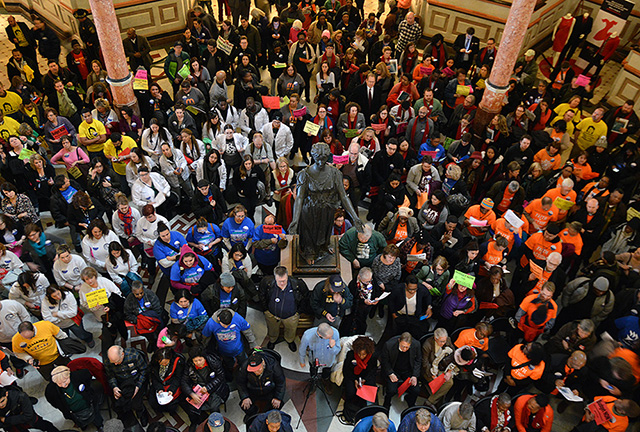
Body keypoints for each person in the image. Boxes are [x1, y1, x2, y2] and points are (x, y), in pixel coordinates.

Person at [258, 266, 306, 351]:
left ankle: (289, 340)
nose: (282, 284)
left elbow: (305, 297)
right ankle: (272, 340)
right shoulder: (267, 282)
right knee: (272, 329)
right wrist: (266, 310)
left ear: (287, 277)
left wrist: (299, 312)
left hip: (291, 316)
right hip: (272, 315)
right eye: (279, 281)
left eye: (284, 281)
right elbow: (261, 295)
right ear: (275, 277)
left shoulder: (297, 284)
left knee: (291, 330)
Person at [181, 347, 229, 429]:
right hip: (198, 389)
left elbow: (220, 376)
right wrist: (191, 394)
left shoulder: (213, 362)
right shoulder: (189, 366)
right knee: (192, 408)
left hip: (215, 388)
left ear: (204, 358)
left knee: (214, 407)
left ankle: (216, 423)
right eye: (195, 361)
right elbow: (184, 381)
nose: (198, 363)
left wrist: (208, 387)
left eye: (200, 360)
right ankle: (194, 423)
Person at [46, 366, 103, 430]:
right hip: (74, 413)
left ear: (69, 375)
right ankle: (84, 426)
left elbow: (88, 375)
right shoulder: (50, 390)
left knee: (96, 417)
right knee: (80, 422)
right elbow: (54, 403)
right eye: (59, 383)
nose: (63, 385)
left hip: (89, 404)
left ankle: (99, 426)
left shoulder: (78, 376)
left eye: (65, 381)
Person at [105, 345, 150, 428]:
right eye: (113, 362)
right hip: (122, 383)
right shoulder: (109, 361)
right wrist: (114, 387)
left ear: (122, 354)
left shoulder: (134, 356)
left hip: (136, 381)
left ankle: (141, 413)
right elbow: (110, 376)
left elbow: (144, 371)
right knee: (117, 403)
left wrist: (138, 386)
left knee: (136, 404)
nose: (115, 364)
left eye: (117, 361)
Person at [237, 350, 286, 418]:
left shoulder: (273, 365)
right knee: (244, 405)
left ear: (263, 363)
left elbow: (281, 382)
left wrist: (277, 397)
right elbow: (240, 383)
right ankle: (253, 414)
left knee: (278, 405)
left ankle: (269, 416)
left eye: (258, 369)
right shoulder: (244, 366)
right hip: (253, 390)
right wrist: (245, 397)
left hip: (269, 390)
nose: (256, 372)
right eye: (253, 370)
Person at [341, 336, 378, 423]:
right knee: (350, 392)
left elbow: (373, 371)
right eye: (359, 354)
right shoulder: (351, 355)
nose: (361, 356)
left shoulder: (372, 357)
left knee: (369, 391)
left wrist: (365, 379)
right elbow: (346, 370)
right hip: (353, 376)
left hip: (366, 377)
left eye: (364, 354)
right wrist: (355, 380)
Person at [381, 332, 420, 409]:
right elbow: (385, 361)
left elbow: (418, 360)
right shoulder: (389, 345)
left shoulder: (416, 344)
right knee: (391, 390)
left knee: (416, 390)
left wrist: (415, 375)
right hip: (394, 369)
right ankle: (387, 403)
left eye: (407, 347)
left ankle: (410, 401)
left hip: (408, 371)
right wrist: (390, 373)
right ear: (399, 341)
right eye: (403, 346)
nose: (405, 349)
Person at [124, 281, 163, 351]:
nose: (139, 295)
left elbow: (157, 308)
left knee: (159, 331)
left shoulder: (150, 295)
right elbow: (127, 314)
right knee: (148, 335)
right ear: (133, 292)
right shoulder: (129, 300)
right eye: (137, 294)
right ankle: (152, 342)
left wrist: (150, 318)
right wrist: (138, 320)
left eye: (141, 293)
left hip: (153, 319)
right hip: (141, 323)